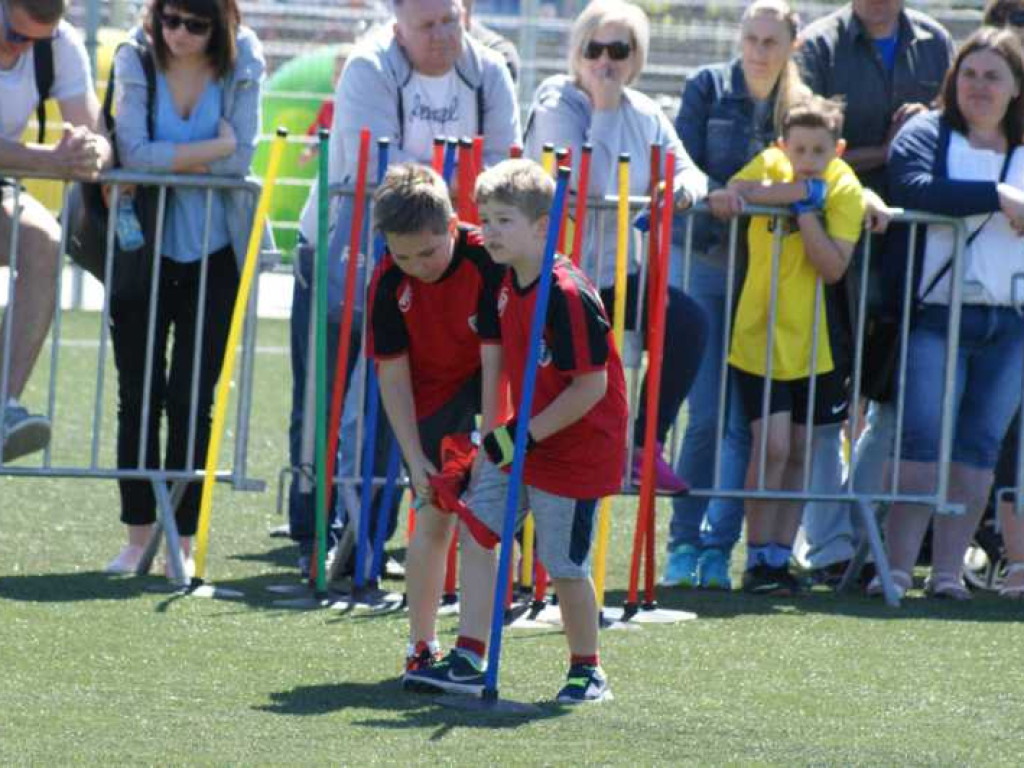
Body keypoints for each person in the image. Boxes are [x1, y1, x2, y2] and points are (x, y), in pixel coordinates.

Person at [287, 0, 520, 576]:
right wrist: (453, 185)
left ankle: (370, 538)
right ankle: (312, 532)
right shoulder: (369, 67)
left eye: (451, 20)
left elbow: (503, 176)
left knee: (401, 404)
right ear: (398, 28)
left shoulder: (490, 73)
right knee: (325, 395)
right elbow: (385, 181)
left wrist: (446, 187)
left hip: (439, 269)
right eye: (427, 25)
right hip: (345, 255)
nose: (442, 35)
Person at [404, 159, 627, 704]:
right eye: (486, 218)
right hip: (523, 435)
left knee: (563, 563)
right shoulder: (504, 281)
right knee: (477, 528)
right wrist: (496, 436)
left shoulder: (567, 294)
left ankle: (586, 668)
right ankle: (469, 653)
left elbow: (590, 388)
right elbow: (504, 361)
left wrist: (523, 436)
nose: (489, 231)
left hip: (575, 446)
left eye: (503, 220)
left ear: (542, 226)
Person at [794, 0, 954, 578]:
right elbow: (799, 148)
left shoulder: (936, 41)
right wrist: (886, 157)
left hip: (912, 252)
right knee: (826, 399)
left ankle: (859, 539)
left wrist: (928, 123)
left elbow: (953, 131)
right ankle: (829, 545)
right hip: (828, 248)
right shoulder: (818, 45)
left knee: (890, 395)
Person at [523, 0, 707, 494]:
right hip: (556, 275)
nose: (605, 60)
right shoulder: (556, 102)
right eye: (594, 48)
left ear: (636, 57)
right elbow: (589, 185)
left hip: (617, 272)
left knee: (687, 323)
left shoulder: (646, 111)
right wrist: (603, 110)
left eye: (619, 49)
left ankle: (644, 448)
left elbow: (690, 170)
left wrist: (682, 192)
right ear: (577, 51)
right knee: (564, 391)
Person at [106, 0, 265, 573]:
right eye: (169, 19)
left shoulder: (246, 56)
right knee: (138, 394)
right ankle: (137, 536)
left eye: (196, 24)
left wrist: (194, 160)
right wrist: (213, 150)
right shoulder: (134, 53)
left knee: (193, 400)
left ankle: (183, 543)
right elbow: (134, 154)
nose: (179, 34)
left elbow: (243, 160)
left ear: (222, 23)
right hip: (141, 248)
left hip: (216, 249)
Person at [871, 27, 1024, 600]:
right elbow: (912, 185)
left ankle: (948, 574)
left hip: (1012, 321)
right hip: (938, 314)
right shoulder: (926, 132)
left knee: (980, 449)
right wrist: (999, 197)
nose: (978, 86)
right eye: (969, 74)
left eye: (993, 76)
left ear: (1016, 88)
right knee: (920, 443)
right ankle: (894, 568)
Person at [665, 0, 808, 590]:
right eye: (751, 38)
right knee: (706, 416)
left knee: (744, 422)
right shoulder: (706, 88)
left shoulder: (800, 106)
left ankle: (718, 549)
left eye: (771, 41)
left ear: (790, 46)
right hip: (706, 261)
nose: (758, 51)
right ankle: (682, 542)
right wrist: (716, 192)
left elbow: (821, 176)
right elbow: (683, 166)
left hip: (772, 275)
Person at [711, 95, 865, 595]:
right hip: (760, 334)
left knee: (800, 449)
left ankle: (780, 556)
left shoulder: (845, 185)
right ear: (783, 144)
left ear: (836, 149)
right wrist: (798, 191)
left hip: (816, 344)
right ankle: (756, 556)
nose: (807, 157)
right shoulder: (773, 163)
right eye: (799, 148)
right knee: (770, 446)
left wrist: (801, 209)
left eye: (819, 150)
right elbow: (737, 188)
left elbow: (833, 266)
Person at [365, 163, 504, 680]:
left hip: (492, 382)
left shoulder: (486, 260)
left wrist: (492, 442)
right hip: (432, 395)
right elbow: (393, 378)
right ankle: (421, 645)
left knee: (482, 520)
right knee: (433, 511)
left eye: (427, 252)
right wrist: (414, 457)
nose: (416, 266)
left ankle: (472, 650)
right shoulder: (386, 280)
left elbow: (496, 363)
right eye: (403, 256)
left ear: (451, 227)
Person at [0, 0, 112, 462]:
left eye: (34, 40)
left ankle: (2, 405)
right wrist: (49, 160)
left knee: (44, 240)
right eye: (14, 33)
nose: (21, 47)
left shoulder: (60, 46)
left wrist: (89, 152)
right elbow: (47, 159)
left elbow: (96, 134)